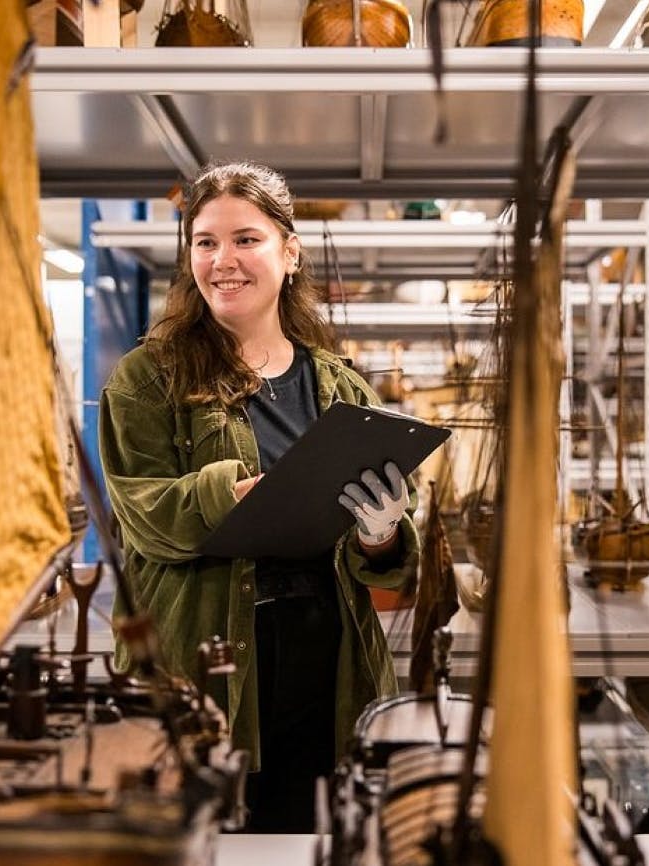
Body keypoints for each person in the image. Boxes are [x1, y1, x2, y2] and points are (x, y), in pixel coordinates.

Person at [98, 161, 420, 833]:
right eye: (205, 242)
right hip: (202, 661)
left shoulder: (342, 390)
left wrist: (381, 534)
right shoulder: (147, 378)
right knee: (202, 833)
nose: (224, 261)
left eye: (246, 239)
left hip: (326, 661)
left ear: (289, 252)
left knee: (312, 832)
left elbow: (382, 561)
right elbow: (142, 514)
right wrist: (232, 492)